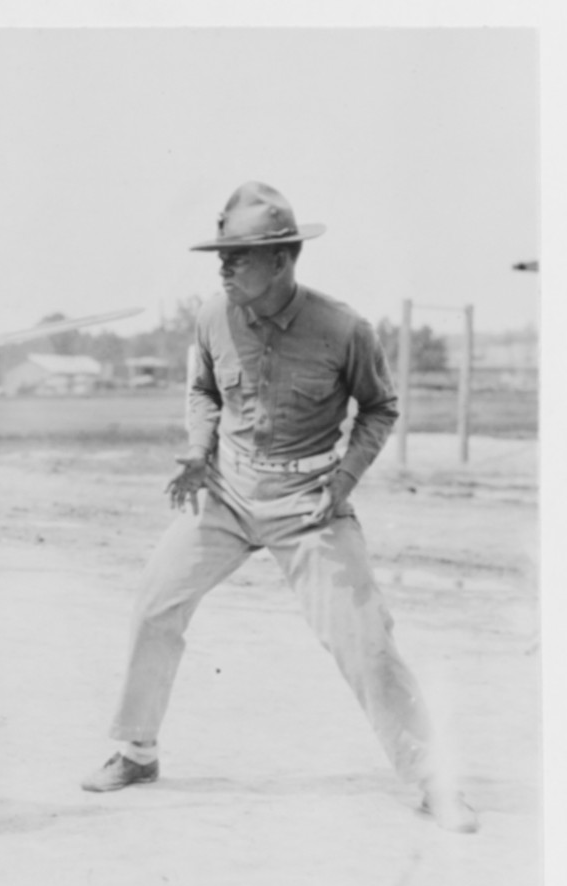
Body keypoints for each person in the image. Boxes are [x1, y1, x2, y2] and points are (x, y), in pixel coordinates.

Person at [80, 181, 478, 834]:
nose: (223, 266)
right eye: (221, 255)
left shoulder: (345, 328)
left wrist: (345, 479)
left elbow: (380, 407)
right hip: (226, 492)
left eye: (237, 255)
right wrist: (198, 448)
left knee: (366, 641)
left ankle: (437, 778)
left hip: (310, 504)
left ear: (283, 259)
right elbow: (204, 387)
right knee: (156, 601)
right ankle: (136, 751)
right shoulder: (212, 315)